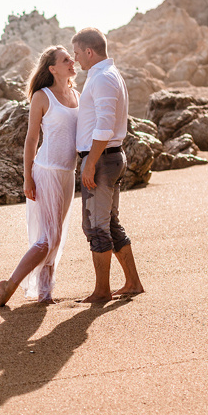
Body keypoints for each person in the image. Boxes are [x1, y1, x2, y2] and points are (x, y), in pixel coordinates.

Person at [0, 46, 79, 307]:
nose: (71, 61)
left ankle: (45, 293)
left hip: (69, 172)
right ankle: (9, 284)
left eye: (71, 58)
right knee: (48, 238)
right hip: (46, 171)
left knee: (57, 236)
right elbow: (31, 139)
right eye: (66, 60)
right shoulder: (42, 97)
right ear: (53, 69)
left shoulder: (77, 95)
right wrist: (27, 178)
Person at [71, 27, 144, 302]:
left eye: (77, 53)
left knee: (95, 226)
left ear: (89, 51)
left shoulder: (102, 78)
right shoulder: (107, 74)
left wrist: (89, 163)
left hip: (102, 159)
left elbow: (103, 125)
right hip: (109, 157)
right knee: (110, 223)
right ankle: (133, 283)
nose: (76, 59)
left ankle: (102, 291)